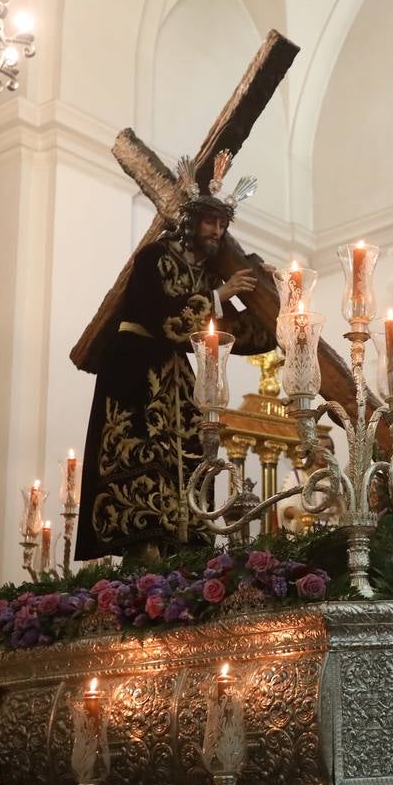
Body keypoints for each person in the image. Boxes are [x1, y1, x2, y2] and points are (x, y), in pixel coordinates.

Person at [76, 155, 275, 560]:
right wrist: (220, 295)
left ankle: (184, 552)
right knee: (146, 456)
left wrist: (270, 298)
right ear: (190, 222)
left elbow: (242, 336)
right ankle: (142, 551)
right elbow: (161, 316)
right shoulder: (155, 256)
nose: (216, 231)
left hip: (176, 375)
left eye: (222, 224)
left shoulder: (207, 278)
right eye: (209, 222)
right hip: (136, 366)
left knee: (190, 456)